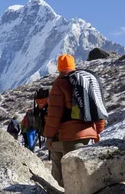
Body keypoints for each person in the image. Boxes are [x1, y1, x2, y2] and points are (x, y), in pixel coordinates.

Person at [43, 54, 105, 186]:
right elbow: (98, 105)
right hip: (88, 133)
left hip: (70, 136)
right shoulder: (86, 80)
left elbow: (54, 114)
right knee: (79, 165)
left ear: (59, 68)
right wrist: (98, 130)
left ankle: (58, 193)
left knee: (57, 155)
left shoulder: (60, 84)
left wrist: (48, 137)